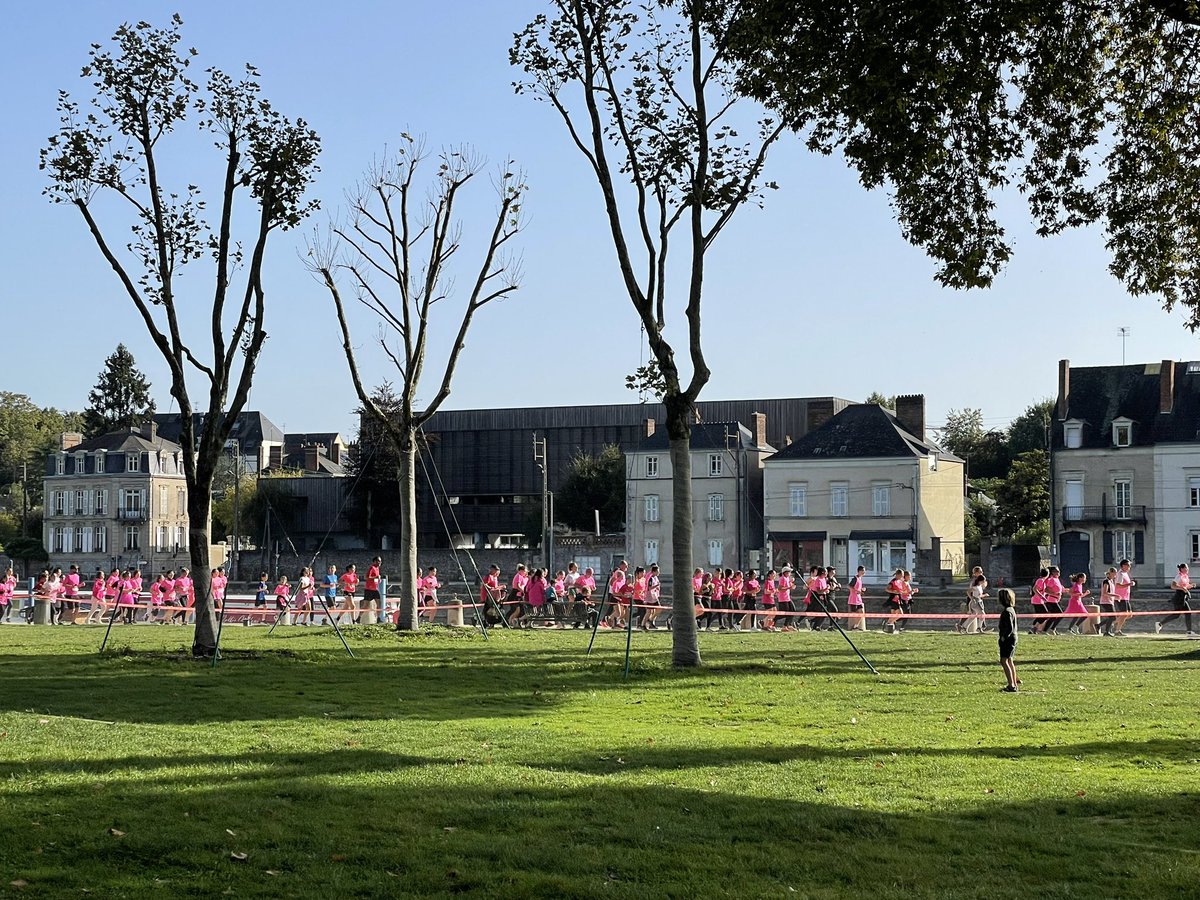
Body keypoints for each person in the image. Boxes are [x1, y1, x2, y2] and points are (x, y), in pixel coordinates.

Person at [1156, 563, 1194, 635]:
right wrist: (1182, 588)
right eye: (1186, 568)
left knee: (1185, 613)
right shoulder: (1179, 576)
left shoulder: (1185, 576)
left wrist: (1190, 586)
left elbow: (1185, 586)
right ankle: (1160, 624)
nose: (1187, 569)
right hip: (1179, 597)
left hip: (1182, 598)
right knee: (1178, 614)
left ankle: (1189, 631)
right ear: (1182, 569)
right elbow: (1173, 586)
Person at [997, 588, 1020, 692]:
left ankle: (1011, 685)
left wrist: (1003, 637)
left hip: (1008, 639)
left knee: (1004, 661)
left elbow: (1009, 628)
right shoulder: (1011, 610)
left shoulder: (1006, 612)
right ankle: (1014, 682)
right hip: (1013, 638)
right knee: (1010, 660)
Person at [1112, 558, 1136, 636]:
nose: (1129, 567)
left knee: (1129, 615)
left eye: (1130, 566)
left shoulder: (1125, 574)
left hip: (1125, 597)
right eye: (1128, 565)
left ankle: (1112, 623)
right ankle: (1117, 630)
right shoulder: (1120, 574)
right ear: (1123, 566)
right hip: (1120, 597)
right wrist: (1129, 584)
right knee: (1124, 614)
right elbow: (1118, 585)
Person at [1041, 566, 1065, 635]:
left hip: (1055, 600)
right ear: (1052, 572)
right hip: (1051, 600)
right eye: (1056, 571)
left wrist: (1065, 590)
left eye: (1058, 571)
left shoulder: (1057, 579)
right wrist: (1054, 594)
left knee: (1053, 616)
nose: (1058, 572)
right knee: (1060, 614)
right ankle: (1051, 629)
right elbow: (1046, 589)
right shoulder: (1051, 580)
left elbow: (1059, 589)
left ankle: (1047, 630)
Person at [1097, 567, 1118, 637]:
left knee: (1113, 617)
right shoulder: (1106, 581)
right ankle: (1106, 632)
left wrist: (1114, 597)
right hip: (1105, 601)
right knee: (1112, 617)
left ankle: (1098, 625)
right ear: (1111, 573)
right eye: (1114, 573)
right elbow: (1104, 593)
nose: (1115, 575)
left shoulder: (1111, 581)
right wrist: (1115, 595)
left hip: (1110, 601)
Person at [883, 568, 905, 634]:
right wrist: (893, 591)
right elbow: (886, 589)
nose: (902, 577)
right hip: (894, 600)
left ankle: (888, 627)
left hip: (898, 599)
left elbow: (900, 590)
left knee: (893, 615)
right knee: (900, 614)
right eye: (901, 575)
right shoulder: (893, 582)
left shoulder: (900, 581)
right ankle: (888, 623)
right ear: (898, 575)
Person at [1028, 567, 1049, 634]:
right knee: (1045, 614)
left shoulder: (1041, 580)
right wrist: (1042, 596)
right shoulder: (1040, 580)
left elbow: (1041, 590)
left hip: (1038, 600)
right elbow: (1035, 589)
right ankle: (1034, 628)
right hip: (1037, 600)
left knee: (1040, 616)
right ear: (1047, 574)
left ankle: (1032, 629)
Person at [846, 565, 867, 631]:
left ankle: (856, 626)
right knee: (854, 613)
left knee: (861, 612)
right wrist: (856, 590)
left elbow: (858, 588)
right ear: (859, 571)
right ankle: (854, 627)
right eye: (863, 570)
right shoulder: (855, 579)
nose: (864, 572)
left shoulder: (860, 579)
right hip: (853, 599)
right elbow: (849, 586)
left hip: (858, 599)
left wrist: (861, 589)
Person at [363, 556, 383, 622]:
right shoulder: (372, 567)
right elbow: (366, 577)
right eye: (378, 561)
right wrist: (375, 577)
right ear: (374, 561)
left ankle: (378, 618)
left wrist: (378, 580)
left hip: (375, 589)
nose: (379, 562)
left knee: (379, 604)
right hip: (369, 589)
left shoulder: (377, 568)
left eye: (380, 561)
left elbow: (376, 578)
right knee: (366, 605)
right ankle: (359, 617)